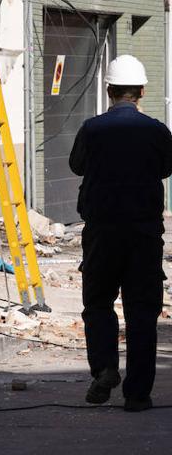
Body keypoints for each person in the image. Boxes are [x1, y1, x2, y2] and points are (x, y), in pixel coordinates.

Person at [69, 54, 172, 412]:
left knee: (98, 303)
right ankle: (138, 395)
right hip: (144, 234)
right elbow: (166, 168)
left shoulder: (92, 129)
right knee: (142, 311)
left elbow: (76, 165)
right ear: (141, 91)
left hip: (101, 232)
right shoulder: (157, 131)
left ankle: (105, 368)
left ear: (108, 89)